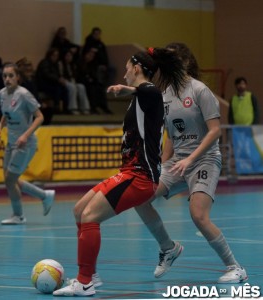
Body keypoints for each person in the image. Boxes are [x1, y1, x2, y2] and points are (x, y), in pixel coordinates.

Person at [53, 47, 187, 296]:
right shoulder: (139, 99)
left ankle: (84, 282)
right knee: (79, 211)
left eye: (127, 67)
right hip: (128, 171)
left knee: (91, 216)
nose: (124, 72)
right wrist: (131, 92)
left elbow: (150, 90)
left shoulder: (149, 94)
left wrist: (128, 89)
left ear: (136, 68)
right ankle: (91, 274)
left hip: (140, 176)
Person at [133, 43, 248, 284]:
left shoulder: (200, 90)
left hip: (204, 159)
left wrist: (191, 159)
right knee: (141, 198)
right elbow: (170, 136)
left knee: (198, 215)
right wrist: (160, 166)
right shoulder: (164, 95)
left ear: (184, 63)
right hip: (178, 161)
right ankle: (168, 247)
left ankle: (235, 267)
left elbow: (215, 131)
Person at [0, 62, 55, 225]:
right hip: (11, 143)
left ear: (18, 78)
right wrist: (0, 127)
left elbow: (40, 117)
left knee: (10, 180)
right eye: (4, 76)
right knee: (10, 179)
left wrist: (26, 135)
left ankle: (19, 215)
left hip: (25, 144)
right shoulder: (1, 93)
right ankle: (44, 196)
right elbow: (5, 114)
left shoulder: (24, 94)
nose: (7, 79)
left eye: (11, 76)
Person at [77, 48, 112, 114]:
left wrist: (93, 80)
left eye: (92, 56)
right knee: (92, 88)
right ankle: (93, 107)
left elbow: (93, 75)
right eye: (90, 55)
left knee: (100, 87)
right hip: (82, 82)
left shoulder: (92, 64)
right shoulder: (80, 63)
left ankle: (104, 106)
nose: (91, 57)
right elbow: (79, 75)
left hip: (90, 82)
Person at [36, 48, 69, 113]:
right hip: (43, 84)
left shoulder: (55, 64)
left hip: (52, 83)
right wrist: (58, 79)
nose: (56, 57)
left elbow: (58, 74)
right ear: (50, 55)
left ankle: (65, 108)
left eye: (57, 55)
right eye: (54, 55)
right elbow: (46, 74)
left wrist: (61, 79)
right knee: (57, 89)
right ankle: (56, 107)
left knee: (65, 89)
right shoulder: (44, 62)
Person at [62, 50, 90, 115]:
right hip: (65, 81)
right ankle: (72, 108)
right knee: (72, 87)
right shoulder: (61, 64)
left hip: (73, 81)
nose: (69, 57)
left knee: (81, 86)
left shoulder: (73, 65)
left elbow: (75, 75)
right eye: (67, 56)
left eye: (70, 56)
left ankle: (85, 107)